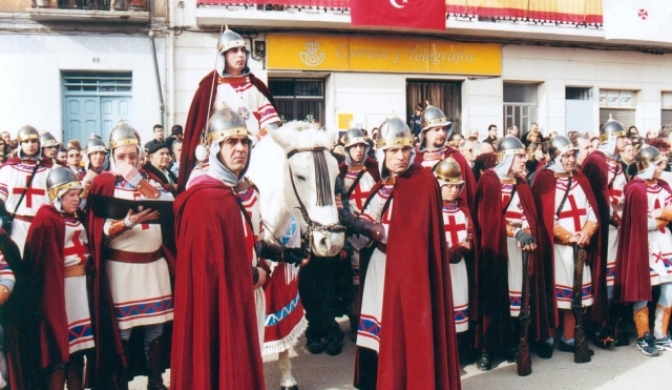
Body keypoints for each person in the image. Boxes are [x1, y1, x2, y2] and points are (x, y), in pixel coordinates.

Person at [352, 116, 461, 390]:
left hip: (413, 277)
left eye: (404, 149)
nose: (400, 156)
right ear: (381, 154)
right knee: (381, 336)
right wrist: (360, 226)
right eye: (392, 150)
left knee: (409, 336)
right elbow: (363, 232)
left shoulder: (424, 183)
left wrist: (379, 230)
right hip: (382, 269)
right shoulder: (381, 188)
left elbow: (418, 238)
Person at [171, 108, 269, 389]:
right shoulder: (205, 197)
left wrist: (275, 255)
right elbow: (207, 268)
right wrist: (250, 276)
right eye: (230, 142)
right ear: (214, 149)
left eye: (244, 142)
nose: (240, 149)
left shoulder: (243, 189)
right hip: (216, 302)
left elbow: (248, 241)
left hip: (243, 295)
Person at [86, 122, 174, 389]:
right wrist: (127, 223)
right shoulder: (104, 183)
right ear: (113, 155)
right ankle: (119, 381)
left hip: (154, 266)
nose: (128, 161)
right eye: (122, 157)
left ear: (140, 154)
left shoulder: (152, 180)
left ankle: (155, 380)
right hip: (121, 268)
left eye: (132, 155)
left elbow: (168, 204)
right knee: (122, 330)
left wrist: (139, 181)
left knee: (156, 326)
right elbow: (97, 231)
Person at [474, 136, 548, 372]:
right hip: (496, 251)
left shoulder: (521, 184)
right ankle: (486, 349)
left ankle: (513, 344)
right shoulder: (489, 181)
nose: (525, 160)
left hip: (519, 253)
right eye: (520, 156)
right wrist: (516, 233)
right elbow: (489, 221)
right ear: (507, 157)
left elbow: (529, 215)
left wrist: (527, 230)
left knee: (518, 300)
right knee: (494, 298)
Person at [179, 27, 280, 192]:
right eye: (234, 50)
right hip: (219, 156)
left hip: (254, 154)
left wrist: (254, 140)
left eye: (243, 50)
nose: (240, 54)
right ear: (222, 56)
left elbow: (272, 124)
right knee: (197, 186)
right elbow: (200, 130)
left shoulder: (255, 87)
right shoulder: (210, 88)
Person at [21, 167, 94, 389]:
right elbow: (35, 265)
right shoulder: (45, 219)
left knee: (78, 349)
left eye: (78, 194)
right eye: (71, 194)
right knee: (59, 350)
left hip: (80, 289)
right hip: (60, 294)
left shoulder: (77, 216)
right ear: (57, 195)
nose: (76, 199)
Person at [532, 136, 603, 358]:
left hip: (579, 247)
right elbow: (545, 220)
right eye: (566, 155)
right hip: (557, 250)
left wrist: (586, 232)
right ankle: (548, 337)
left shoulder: (580, 178)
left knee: (576, 297)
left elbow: (592, 211)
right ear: (554, 157)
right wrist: (569, 236)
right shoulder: (544, 179)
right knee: (553, 293)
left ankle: (569, 338)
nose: (572, 159)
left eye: (573, 154)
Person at [616, 146, 672, 356]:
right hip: (642, 243)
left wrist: (660, 214)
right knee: (642, 289)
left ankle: (660, 333)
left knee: (669, 287)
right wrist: (663, 215)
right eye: (659, 165)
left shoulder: (664, 186)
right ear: (648, 165)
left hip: (664, 242)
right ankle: (643, 335)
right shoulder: (635, 189)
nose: (662, 168)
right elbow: (642, 223)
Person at [582, 116, 629, 348]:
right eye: (621, 137)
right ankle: (600, 327)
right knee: (604, 277)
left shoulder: (613, 161)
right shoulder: (596, 161)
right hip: (605, 230)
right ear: (612, 138)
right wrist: (616, 218)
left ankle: (611, 325)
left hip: (616, 229)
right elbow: (597, 197)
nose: (625, 141)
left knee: (613, 276)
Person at [337, 128, 381, 341]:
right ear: (347, 149)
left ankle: (372, 320)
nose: (358, 150)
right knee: (354, 283)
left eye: (361, 146)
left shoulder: (374, 169)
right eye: (353, 146)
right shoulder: (340, 172)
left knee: (372, 278)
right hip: (351, 232)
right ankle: (355, 322)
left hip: (372, 230)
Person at [433, 157, 475, 349]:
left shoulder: (462, 210)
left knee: (458, 303)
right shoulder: (433, 211)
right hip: (440, 269)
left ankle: (456, 350)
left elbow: (471, 233)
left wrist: (468, 243)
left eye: (457, 186)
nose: (453, 190)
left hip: (459, 268)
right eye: (448, 186)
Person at [0, 125, 53, 257]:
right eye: (26, 142)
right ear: (20, 144)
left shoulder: (49, 170)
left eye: (34, 141)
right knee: (17, 266)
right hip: (16, 226)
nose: (30, 145)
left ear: (39, 144)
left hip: (41, 228)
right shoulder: (8, 170)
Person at [414, 105, 477, 208]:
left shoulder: (455, 157)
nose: (442, 133)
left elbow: (469, 193)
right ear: (424, 133)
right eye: (437, 129)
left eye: (443, 129)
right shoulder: (414, 157)